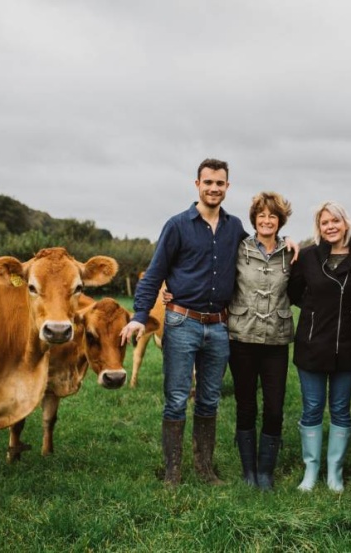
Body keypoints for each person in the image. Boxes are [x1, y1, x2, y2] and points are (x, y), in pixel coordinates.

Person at [120, 158, 246, 487]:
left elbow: (259, 250)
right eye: (208, 183)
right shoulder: (177, 225)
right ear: (197, 185)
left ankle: (204, 468)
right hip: (181, 322)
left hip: (219, 326)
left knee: (209, 398)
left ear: (227, 187)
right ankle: (173, 472)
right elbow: (155, 273)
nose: (214, 188)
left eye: (220, 183)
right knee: (176, 397)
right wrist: (139, 316)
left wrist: (288, 242)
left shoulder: (234, 228)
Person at [288, 201, 351, 492]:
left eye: (336, 221)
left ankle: (335, 473)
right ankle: (311, 471)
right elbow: (293, 292)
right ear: (318, 228)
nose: (331, 226)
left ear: (345, 223)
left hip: (348, 346)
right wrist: (313, 313)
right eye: (325, 223)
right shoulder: (307, 257)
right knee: (311, 408)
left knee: (341, 409)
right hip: (311, 345)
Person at [227, 192, 294, 491]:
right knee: (245, 406)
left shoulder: (290, 253)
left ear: (280, 221)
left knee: (275, 407)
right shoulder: (238, 249)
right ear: (254, 218)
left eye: (273, 216)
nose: (267, 221)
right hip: (242, 337)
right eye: (262, 215)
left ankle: (266, 472)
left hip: (276, 340)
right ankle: (248, 471)